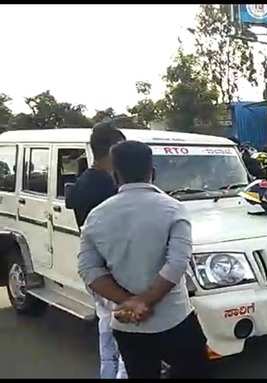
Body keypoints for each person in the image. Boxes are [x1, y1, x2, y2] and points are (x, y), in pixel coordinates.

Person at [77, 141, 209, 378]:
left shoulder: (96, 216)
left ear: (115, 175)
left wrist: (130, 302)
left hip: (127, 323)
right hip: (174, 319)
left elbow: (88, 269)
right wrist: (146, 301)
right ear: (153, 172)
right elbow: (177, 263)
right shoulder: (173, 209)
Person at [65, 125, 127, 379]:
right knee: (125, 338)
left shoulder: (82, 183)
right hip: (113, 267)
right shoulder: (109, 187)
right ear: (113, 151)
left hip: (94, 268)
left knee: (106, 328)